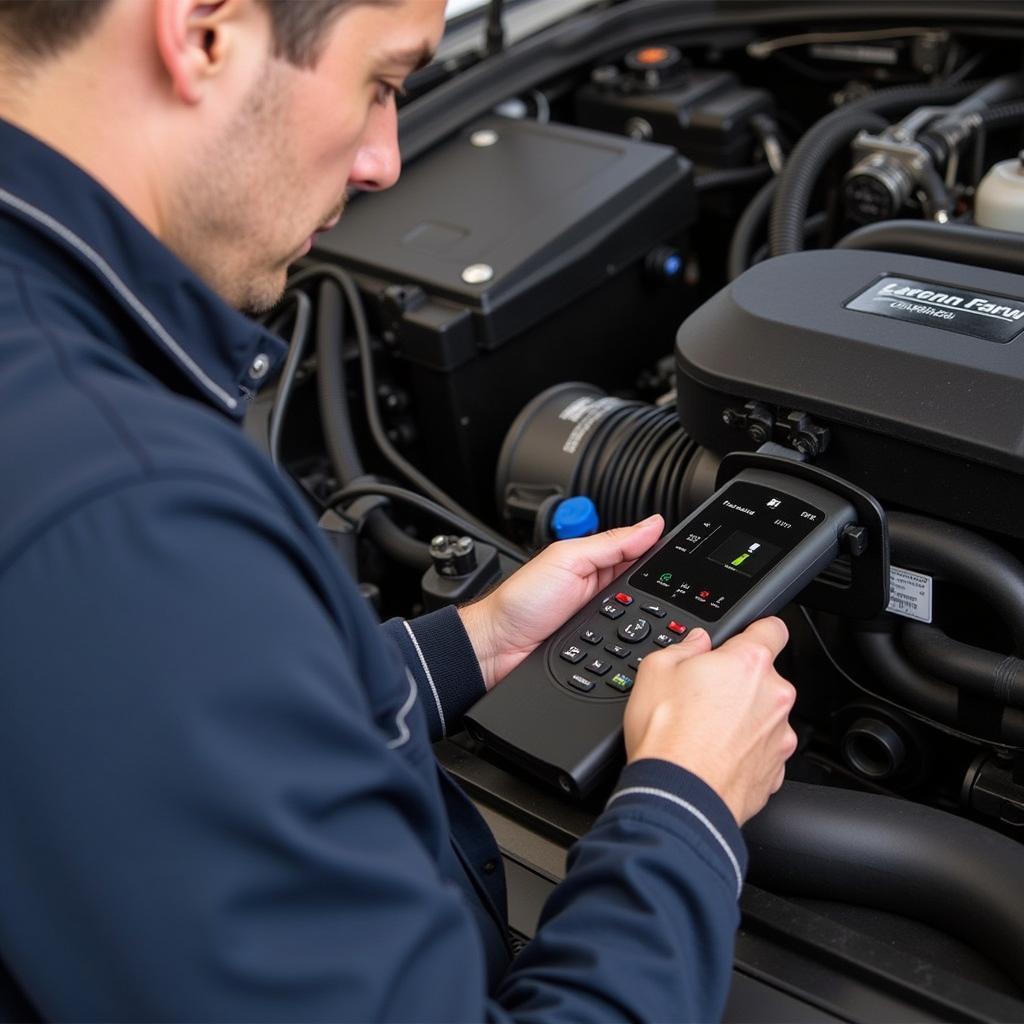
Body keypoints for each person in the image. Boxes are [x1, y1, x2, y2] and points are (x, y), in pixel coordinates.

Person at [0, 0, 797, 1019]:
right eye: (380, 82)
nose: (382, 159)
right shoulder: (131, 518)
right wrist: (684, 807)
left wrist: (458, 651)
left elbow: (135, 740)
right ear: (203, 31)